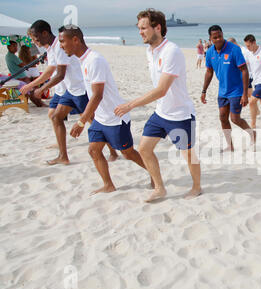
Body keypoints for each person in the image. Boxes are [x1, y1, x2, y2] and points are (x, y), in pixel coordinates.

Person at [114, 8, 201, 202]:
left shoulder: (172, 51)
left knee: (188, 155)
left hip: (180, 114)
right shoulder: (150, 50)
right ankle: (160, 188)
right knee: (144, 149)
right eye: (139, 28)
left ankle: (197, 187)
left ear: (157, 27)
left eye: (144, 28)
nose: (140, 32)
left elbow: (161, 89)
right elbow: (160, 92)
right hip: (161, 112)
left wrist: (130, 105)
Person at [58, 25, 152, 195]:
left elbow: (97, 95)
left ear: (75, 40)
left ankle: (154, 174)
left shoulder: (95, 60)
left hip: (115, 117)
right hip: (101, 119)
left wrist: (81, 121)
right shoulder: (83, 60)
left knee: (128, 153)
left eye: (63, 41)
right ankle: (109, 184)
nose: (61, 45)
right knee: (93, 150)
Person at [21, 20, 118, 165]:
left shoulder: (59, 47)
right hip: (70, 90)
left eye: (36, 37)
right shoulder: (52, 47)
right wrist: (34, 85)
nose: (35, 41)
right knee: (55, 117)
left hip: (80, 90)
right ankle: (63, 156)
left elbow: (59, 74)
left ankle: (113, 152)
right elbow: (51, 71)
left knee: (95, 123)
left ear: (45, 33)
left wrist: (41, 88)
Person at [202, 28, 254, 152]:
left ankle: (252, 134)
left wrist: (245, 93)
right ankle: (230, 146)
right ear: (210, 39)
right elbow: (209, 72)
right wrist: (204, 91)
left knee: (235, 119)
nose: (218, 39)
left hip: (236, 90)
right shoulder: (209, 53)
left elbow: (244, 70)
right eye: (215, 37)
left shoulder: (234, 49)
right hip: (223, 91)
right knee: (223, 118)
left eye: (220, 36)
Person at [5, 40, 45, 107]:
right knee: (32, 89)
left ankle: (28, 102)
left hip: (19, 76)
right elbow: (22, 64)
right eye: (14, 46)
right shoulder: (13, 56)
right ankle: (40, 104)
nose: (16, 48)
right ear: (9, 47)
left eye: (16, 46)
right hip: (22, 77)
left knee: (28, 90)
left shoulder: (9, 55)